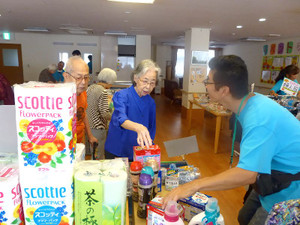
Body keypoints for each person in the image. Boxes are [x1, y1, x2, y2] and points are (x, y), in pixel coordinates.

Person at [162, 55, 300, 225]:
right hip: (269, 176)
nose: (205, 84)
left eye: (208, 81)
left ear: (224, 90)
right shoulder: (250, 101)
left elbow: (247, 174)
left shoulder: (259, 119)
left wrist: (194, 185)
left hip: (288, 191)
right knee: (243, 217)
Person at [104, 59, 161, 161]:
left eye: (152, 83)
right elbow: (121, 118)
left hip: (138, 152)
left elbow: (151, 129)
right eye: (145, 81)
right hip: (118, 151)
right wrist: (138, 127)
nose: (148, 87)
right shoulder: (122, 95)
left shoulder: (150, 102)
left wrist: (149, 149)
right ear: (136, 78)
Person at [63, 56, 98, 146]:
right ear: (66, 76)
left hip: (78, 143)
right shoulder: (59, 98)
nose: (83, 82)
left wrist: (90, 136)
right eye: (78, 78)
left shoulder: (82, 93)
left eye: (86, 78)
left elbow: (83, 114)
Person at [86, 68, 117, 159]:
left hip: (88, 125)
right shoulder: (103, 91)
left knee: (92, 154)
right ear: (109, 81)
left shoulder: (91, 87)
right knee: (98, 156)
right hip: (97, 127)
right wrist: (114, 116)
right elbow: (104, 113)